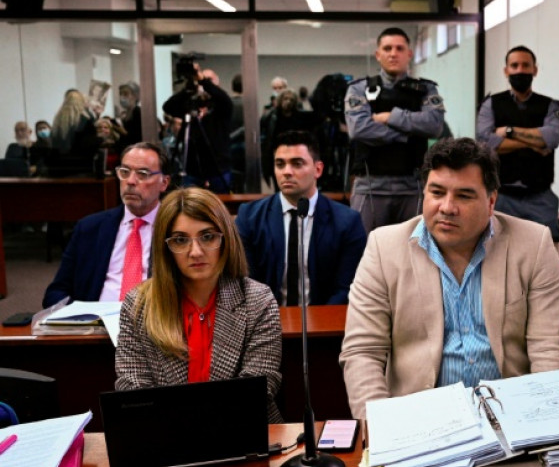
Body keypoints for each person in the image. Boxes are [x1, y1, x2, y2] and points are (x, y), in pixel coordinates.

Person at [340, 137, 559, 419]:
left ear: (491, 201)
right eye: (437, 192)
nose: (447, 207)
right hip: (420, 418)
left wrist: (546, 423)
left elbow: (549, 349)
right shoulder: (384, 248)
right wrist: (380, 425)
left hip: (513, 414)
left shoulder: (534, 244)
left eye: (464, 196)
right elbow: (363, 352)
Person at [115, 187, 283, 423]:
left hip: (244, 430)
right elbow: (133, 391)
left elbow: (259, 388)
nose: (195, 252)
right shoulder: (139, 305)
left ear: (226, 239)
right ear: (165, 247)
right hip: (165, 434)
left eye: (207, 237)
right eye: (180, 240)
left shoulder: (258, 300)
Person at [237, 130, 366, 306]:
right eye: (280, 164)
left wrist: (319, 321)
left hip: (326, 319)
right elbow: (246, 283)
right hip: (266, 317)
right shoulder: (250, 217)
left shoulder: (347, 222)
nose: (287, 172)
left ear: (318, 169)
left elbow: (347, 288)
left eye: (297, 164)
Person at [43, 142, 172, 307]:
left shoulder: (176, 229)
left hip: (152, 319)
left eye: (142, 174)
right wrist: (80, 315)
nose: (130, 181)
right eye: (124, 172)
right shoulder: (89, 228)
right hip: (95, 319)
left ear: (164, 183)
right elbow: (56, 292)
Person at [344, 27, 446, 233]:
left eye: (399, 48)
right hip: (370, 186)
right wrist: (408, 134)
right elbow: (359, 129)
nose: (393, 53)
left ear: (409, 54)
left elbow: (434, 125)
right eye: (387, 48)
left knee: (415, 247)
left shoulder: (425, 89)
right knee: (365, 247)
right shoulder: (359, 88)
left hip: (413, 186)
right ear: (378, 54)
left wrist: (391, 117)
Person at [476, 45, 559, 239]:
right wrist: (534, 142)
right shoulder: (491, 104)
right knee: (496, 250)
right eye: (514, 65)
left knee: (545, 250)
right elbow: (485, 143)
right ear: (506, 71)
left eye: (526, 65)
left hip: (540, 198)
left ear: (535, 70)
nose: (520, 70)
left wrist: (509, 131)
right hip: (500, 197)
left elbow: (551, 138)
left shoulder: (550, 105)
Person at [162, 64, 233, 193]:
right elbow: (168, 107)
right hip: (193, 169)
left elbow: (224, 99)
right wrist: (188, 90)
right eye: (201, 80)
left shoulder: (221, 108)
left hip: (218, 168)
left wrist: (203, 81)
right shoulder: (191, 106)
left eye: (209, 80)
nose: (203, 83)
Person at [260, 89, 312, 189]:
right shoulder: (272, 116)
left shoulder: (299, 117)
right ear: (281, 100)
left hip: (295, 153)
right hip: (277, 153)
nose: (288, 102)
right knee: (279, 183)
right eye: (286, 99)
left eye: (291, 100)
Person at [115, 81, 143, 154]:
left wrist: (122, 131)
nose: (122, 97)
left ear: (135, 96)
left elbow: (137, 137)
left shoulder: (137, 112)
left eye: (125, 94)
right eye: (120, 94)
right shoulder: (126, 114)